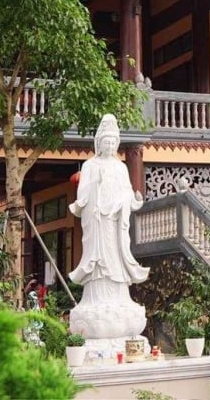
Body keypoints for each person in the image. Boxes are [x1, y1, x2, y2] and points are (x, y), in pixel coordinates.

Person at [70, 114, 148, 288]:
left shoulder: (120, 167)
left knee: (114, 251)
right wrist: (95, 185)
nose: (110, 146)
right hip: (97, 218)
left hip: (115, 217)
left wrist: (134, 200)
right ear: (99, 143)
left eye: (113, 143)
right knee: (98, 253)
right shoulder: (90, 165)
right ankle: (96, 281)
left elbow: (126, 191)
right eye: (107, 143)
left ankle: (117, 280)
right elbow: (82, 193)